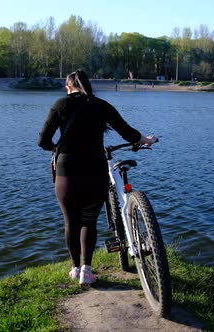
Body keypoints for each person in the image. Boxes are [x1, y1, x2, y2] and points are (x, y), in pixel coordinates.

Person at [38, 70, 157, 287]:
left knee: (71, 222)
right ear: (88, 86)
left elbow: (43, 141)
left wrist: (57, 148)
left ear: (68, 87)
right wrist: (145, 139)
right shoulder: (101, 106)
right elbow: (128, 132)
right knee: (89, 222)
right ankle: (87, 270)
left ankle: (75, 269)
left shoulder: (60, 105)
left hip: (66, 172)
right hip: (95, 170)